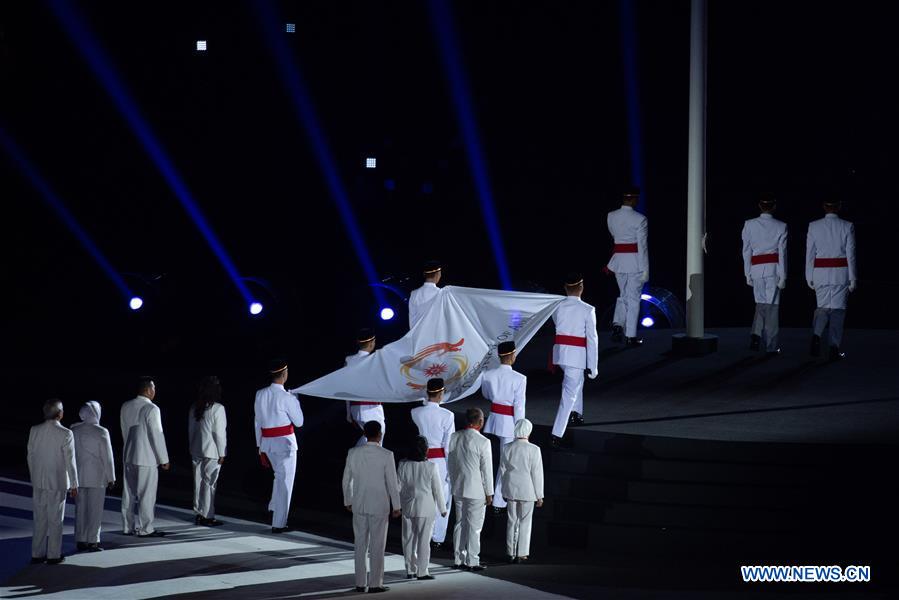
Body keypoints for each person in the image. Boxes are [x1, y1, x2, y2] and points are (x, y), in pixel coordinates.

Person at [342, 421, 401, 594]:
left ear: (365, 434)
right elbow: (392, 482)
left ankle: (360, 583)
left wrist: (348, 500)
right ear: (380, 434)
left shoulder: (353, 453)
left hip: (359, 503)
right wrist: (396, 506)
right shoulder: (386, 454)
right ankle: (375, 583)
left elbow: (347, 479)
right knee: (377, 545)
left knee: (360, 544)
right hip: (379, 505)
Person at [254, 359, 304, 533]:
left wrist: (260, 446)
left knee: (279, 477)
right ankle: (279, 523)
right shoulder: (287, 397)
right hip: (285, 444)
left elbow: (257, 422)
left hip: (268, 443)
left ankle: (274, 508)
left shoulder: (260, 394)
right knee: (285, 482)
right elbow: (299, 422)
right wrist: (295, 400)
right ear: (284, 374)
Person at [550, 273, 599, 448]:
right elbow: (592, 339)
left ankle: (576, 413)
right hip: (576, 355)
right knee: (568, 394)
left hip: (561, 354)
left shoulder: (557, 307)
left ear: (565, 288)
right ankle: (557, 433)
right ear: (581, 287)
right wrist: (593, 366)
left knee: (577, 381)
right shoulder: (588, 309)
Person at [28, 399, 78, 564]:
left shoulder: (34, 430)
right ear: (59, 413)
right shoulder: (65, 433)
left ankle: (37, 553)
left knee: (40, 518)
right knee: (56, 519)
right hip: (57, 481)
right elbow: (70, 461)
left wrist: (34, 476)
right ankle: (53, 554)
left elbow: (31, 456)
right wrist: (74, 484)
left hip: (39, 481)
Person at [806, 199, 857, 360]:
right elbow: (851, 255)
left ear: (824, 206)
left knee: (821, 308)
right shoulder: (847, 226)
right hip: (840, 274)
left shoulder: (814, 226)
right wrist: (853, 277)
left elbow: (810, 254)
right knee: (837, 312)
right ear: (839, 207)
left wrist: (809, 276)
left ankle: (816, 335)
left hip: (820, 273)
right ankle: (834, 347)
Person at [120, 376, 170, 537]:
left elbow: (124, 431)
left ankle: (127, 527)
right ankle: (146, 528)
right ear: (149, 390)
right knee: (146, 495)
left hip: (129, 455)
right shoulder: (152, 408)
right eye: (154, 388)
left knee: (128, 493)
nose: (155, 391)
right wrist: (164, 458)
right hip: (147, 457)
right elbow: (157, 434)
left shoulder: (126, 406)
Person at [481, 340, 526, 513]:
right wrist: (519, 428)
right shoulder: (520, 378)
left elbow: (486, 394)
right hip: (508, 423)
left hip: (493, 419)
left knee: (488, 460)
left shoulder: (488, 374)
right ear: (512, 355)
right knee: (504, 462)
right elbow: (519, 406)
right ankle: (498, 501)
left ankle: (489, 495)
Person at [410, 378, 455, 550]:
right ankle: (438, 536)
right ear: (441, 393)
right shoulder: (447, 415)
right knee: (442, 498)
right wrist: (451, 468)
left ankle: (422, 533)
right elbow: (448, 445)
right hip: (440, 460)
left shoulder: (416, 412)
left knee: (423, 495)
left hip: (422, 458)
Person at [742, 194, 788, 354]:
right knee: (772, 307)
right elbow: (782, 253)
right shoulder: (781, 226)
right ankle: (771, 345)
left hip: (756, 269)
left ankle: (756, 335)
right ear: (774, 206)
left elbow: (746, 251)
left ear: (759, 206)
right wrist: (783, 276)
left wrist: (747, 273)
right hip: (772, 270)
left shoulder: (749, 224)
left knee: (761, 305)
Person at [447, 408, 493, 571]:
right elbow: (486, 470)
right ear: (480, 422)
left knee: (459, 523)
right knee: (474, 526)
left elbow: (451, 463)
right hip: (476, 490)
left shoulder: (455, 437)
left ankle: (458, 558)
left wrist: (453, 482)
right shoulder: (483, 442)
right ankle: (472, 560)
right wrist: (489, 492)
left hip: (459, 487)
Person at [398, 436, 447, 580]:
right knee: (424, 541)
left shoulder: (403, 464)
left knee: (408, 540)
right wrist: (443, 508)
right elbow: (437, 489)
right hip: (426, 507)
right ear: (426, 450)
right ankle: (422, 571)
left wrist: (396, 505)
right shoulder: (431, 466)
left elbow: (397, 487)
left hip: (408, 506)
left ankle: (410, 570)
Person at [606, 187, 649, 346]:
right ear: (632, 199)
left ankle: (618, 325)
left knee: (623, 294)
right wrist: (646, 270)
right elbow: (642, 247)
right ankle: (630, 336)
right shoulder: (640, 219)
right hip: (634, 263)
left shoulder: (611, 216)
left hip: (619, 261)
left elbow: (614, 236)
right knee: (633, 299)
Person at [498, 419, 544, 564]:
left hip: (511, 488)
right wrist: (539, 495)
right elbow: (537, 473)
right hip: (528, 490)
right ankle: (522, 553)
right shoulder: (534, 449)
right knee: (525, 522)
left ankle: (510, 552)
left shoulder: (507, 447)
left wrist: (503, 490)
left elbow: (503, 471)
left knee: (512, 520)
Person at [72, 401, 115, 552]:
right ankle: (93, 541)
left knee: (80, 510)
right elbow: (107, 457)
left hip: (79, 476)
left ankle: (80, 539)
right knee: (95, 510)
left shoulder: (74, 429)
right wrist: (111, 477)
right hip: (97, 477)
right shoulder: (102, 431)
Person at [189, 376, 227, 526]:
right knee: (209, 484)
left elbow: (191, 430)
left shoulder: (195, 406)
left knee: (198, 483)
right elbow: (219, 433)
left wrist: (191, 446)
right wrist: (222, 452)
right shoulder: (218, 408)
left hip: (197, 449)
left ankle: (199, 512)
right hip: (212, 451)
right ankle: (208, 515)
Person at [345, 329, 385, 447]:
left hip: (355, 407)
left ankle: (358, 459)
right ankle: (356, 457)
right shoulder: (374, 360)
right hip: (371, 408)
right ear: (372, 342)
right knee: (376, 438)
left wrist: (348, 412)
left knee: (369, 438)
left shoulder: (349, 360)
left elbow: (346, 387)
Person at [408, 260, 442, 329]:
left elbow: (411, 319)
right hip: (437, 335)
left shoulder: (414, 294)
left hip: (419, 336)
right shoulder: (441, 293)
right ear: (437, 274)